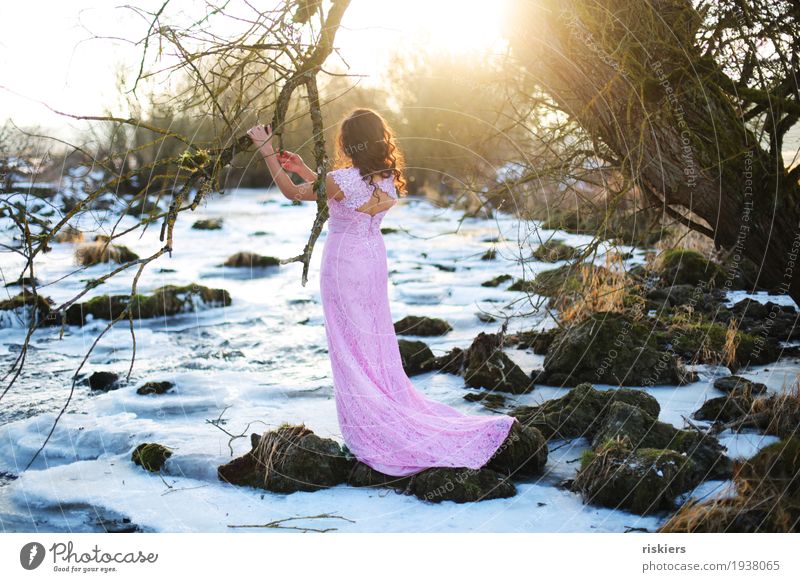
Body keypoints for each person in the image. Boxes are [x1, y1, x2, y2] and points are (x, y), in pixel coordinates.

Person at [247, 108, 517, 477]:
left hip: (343, 264)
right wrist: (307, 170)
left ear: (348, 142)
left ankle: (371, 423)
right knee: (370, 340)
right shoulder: (386, 177)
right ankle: (384, 402)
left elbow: (295, 194)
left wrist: (266, 150)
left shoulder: (341, 178)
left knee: (348, 342)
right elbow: (341, 195)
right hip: (372, 260)